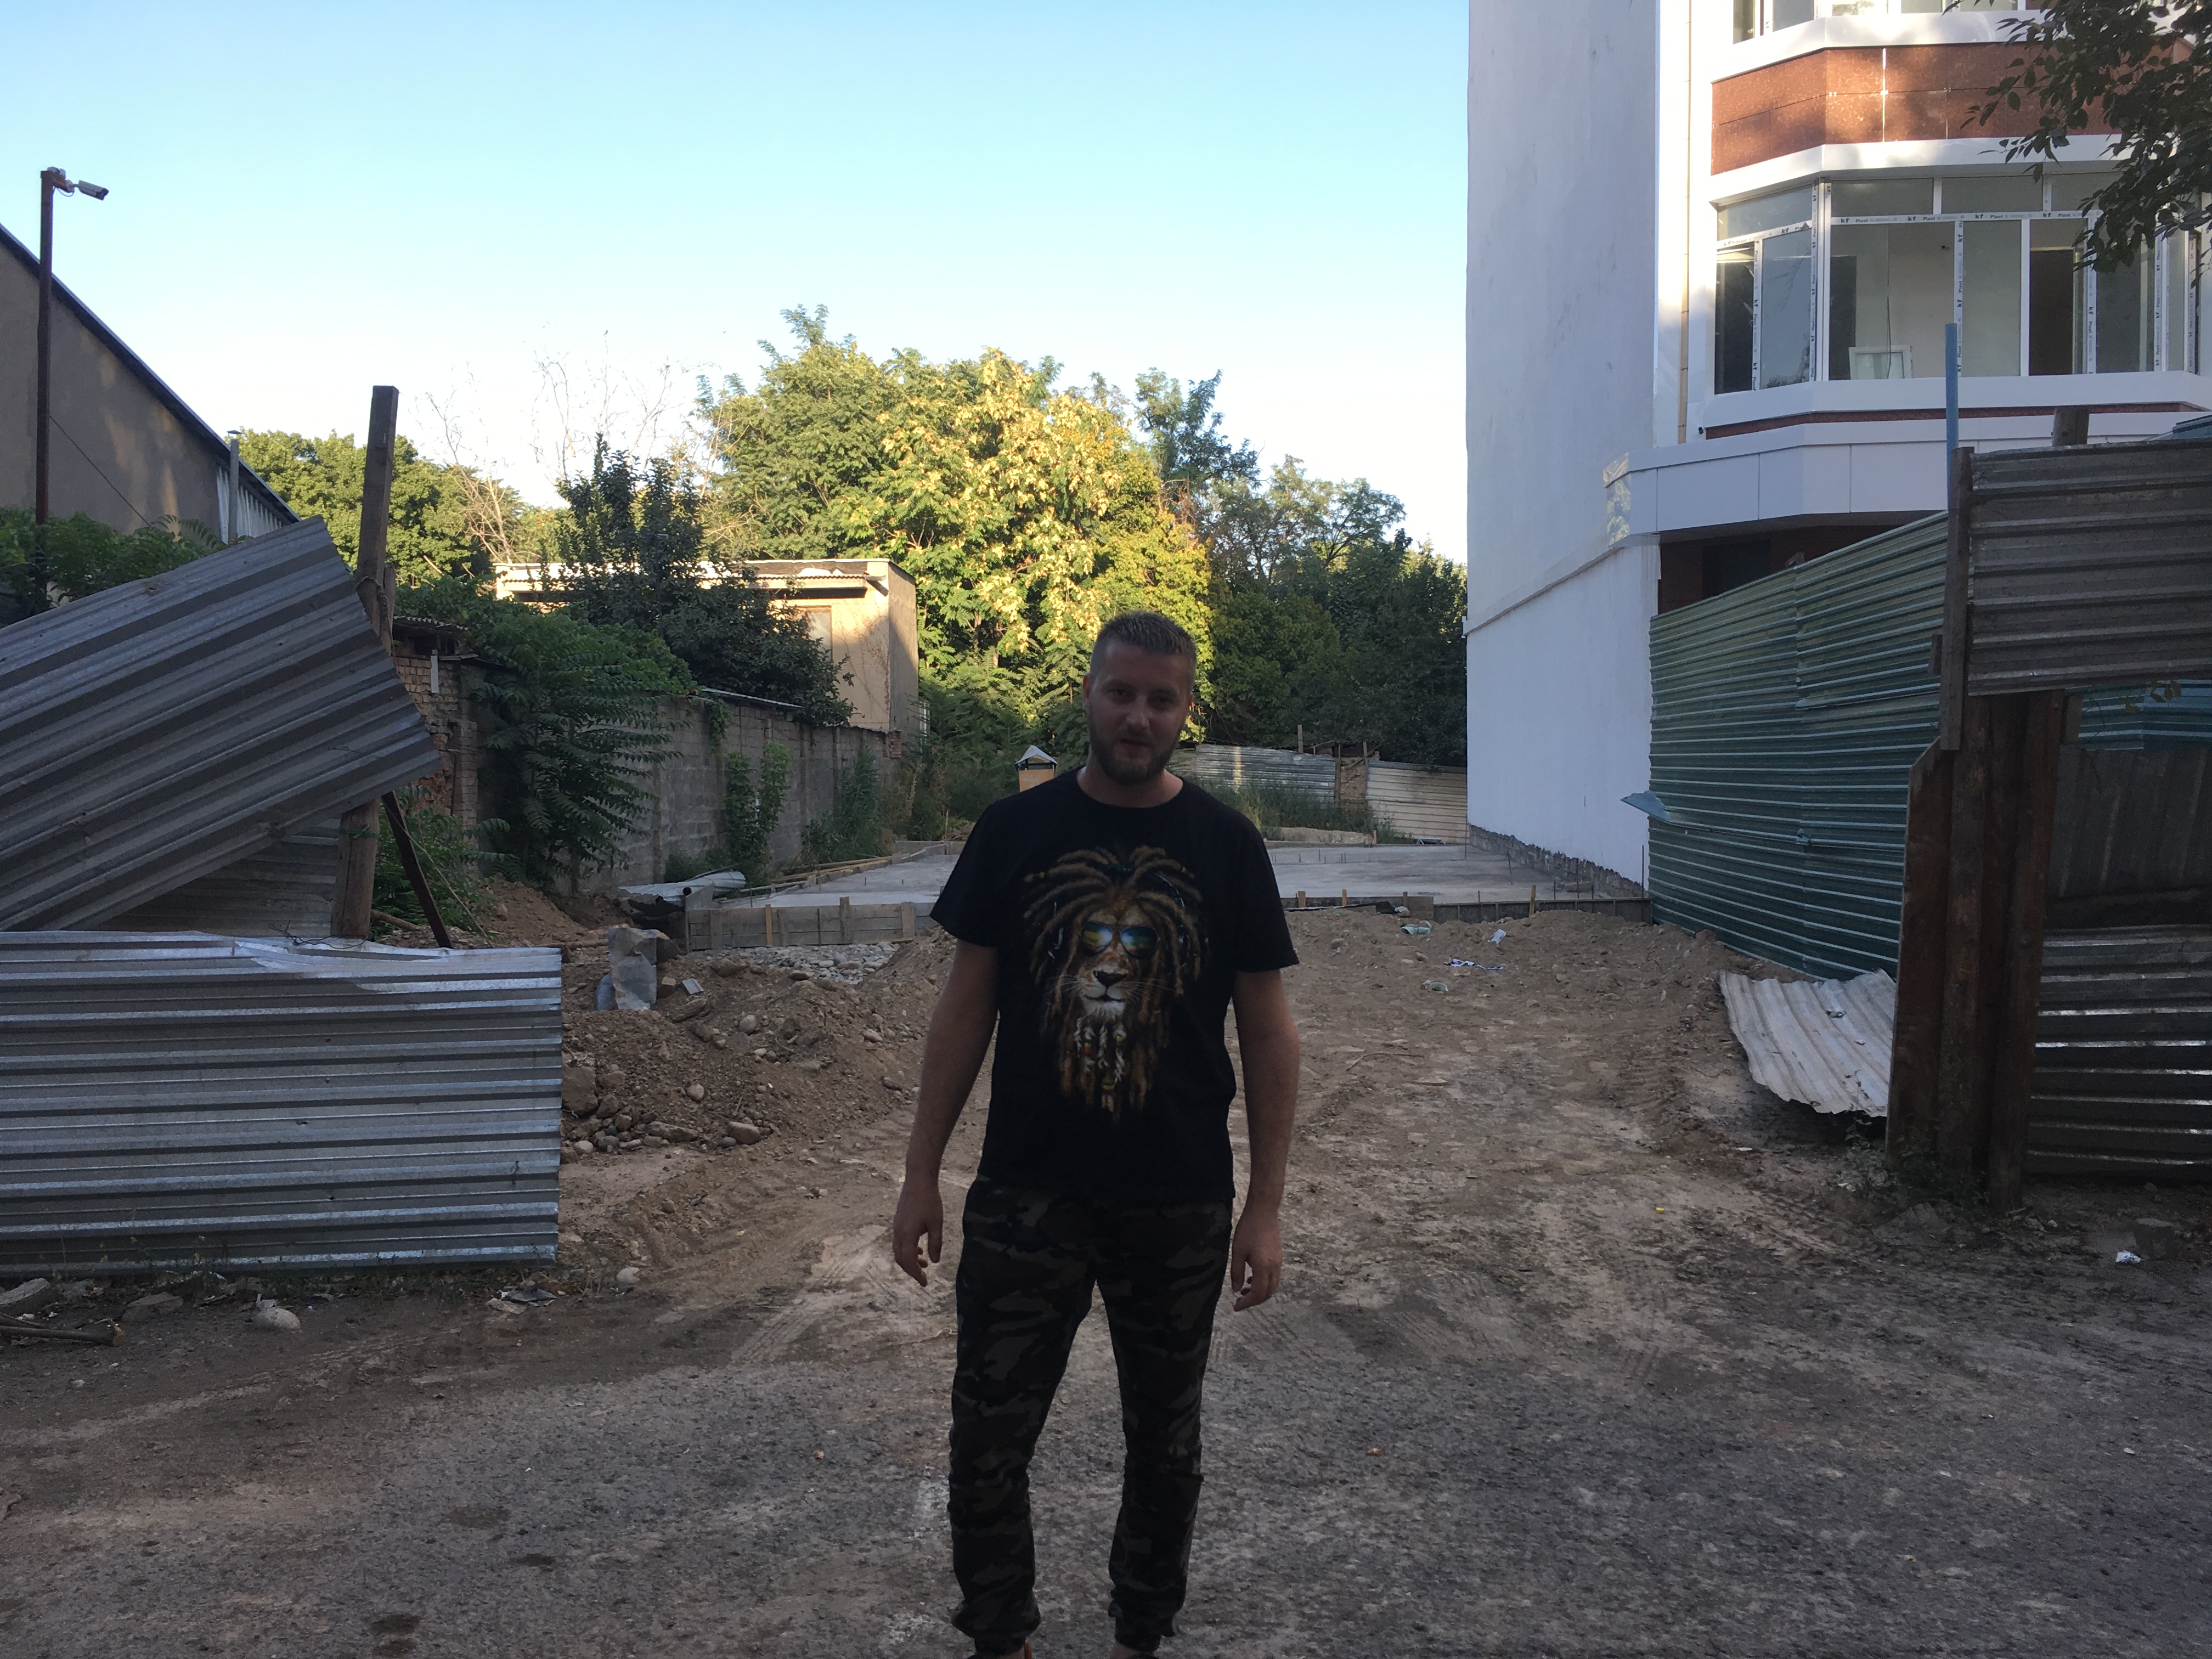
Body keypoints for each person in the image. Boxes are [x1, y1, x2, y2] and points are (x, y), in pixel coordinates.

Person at [891, 609, 1301, 1659]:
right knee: (987, 1438)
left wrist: (1264, 1208)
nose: (1138, 716)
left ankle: (1141, 1634)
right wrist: (921, 1173)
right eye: (1121, 693)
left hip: (1179, 1200)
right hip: (1027, 1194)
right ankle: (1001, 1638)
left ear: (1186, 711)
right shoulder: (1012, 832)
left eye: (1161, 699)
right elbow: (963, 1010)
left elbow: (1269, 1031)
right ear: (1088, 693)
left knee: (1166, 1446)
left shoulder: (1227, 845)